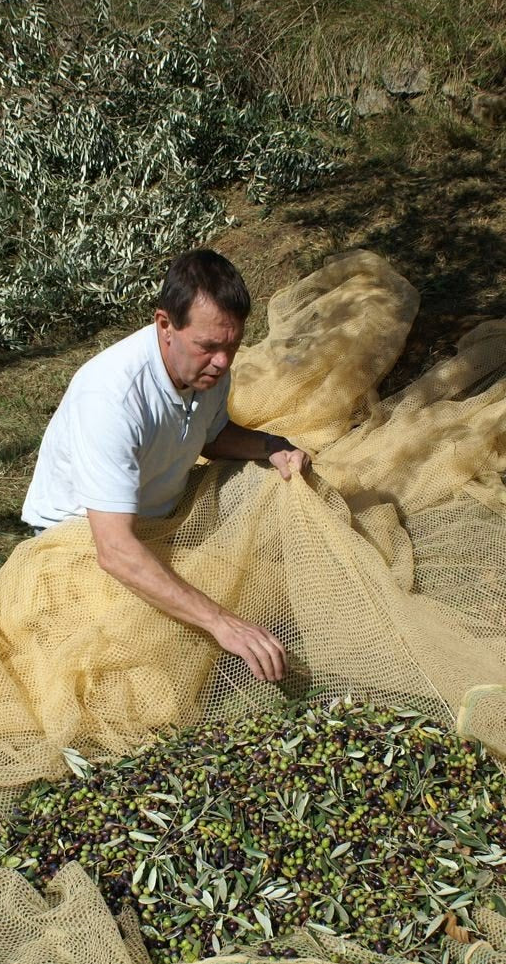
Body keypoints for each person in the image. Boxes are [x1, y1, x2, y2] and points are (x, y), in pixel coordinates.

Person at [22, 249, 310, 682]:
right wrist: (221, 622)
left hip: (159, 516)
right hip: (80, 540)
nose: (223, 361)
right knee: (154, 662)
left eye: (232, 345)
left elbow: (210, 437)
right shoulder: (110, 399)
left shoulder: (207, 368)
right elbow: (115, 551)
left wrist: (272, 445)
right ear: (164, 325)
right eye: (208, 347)